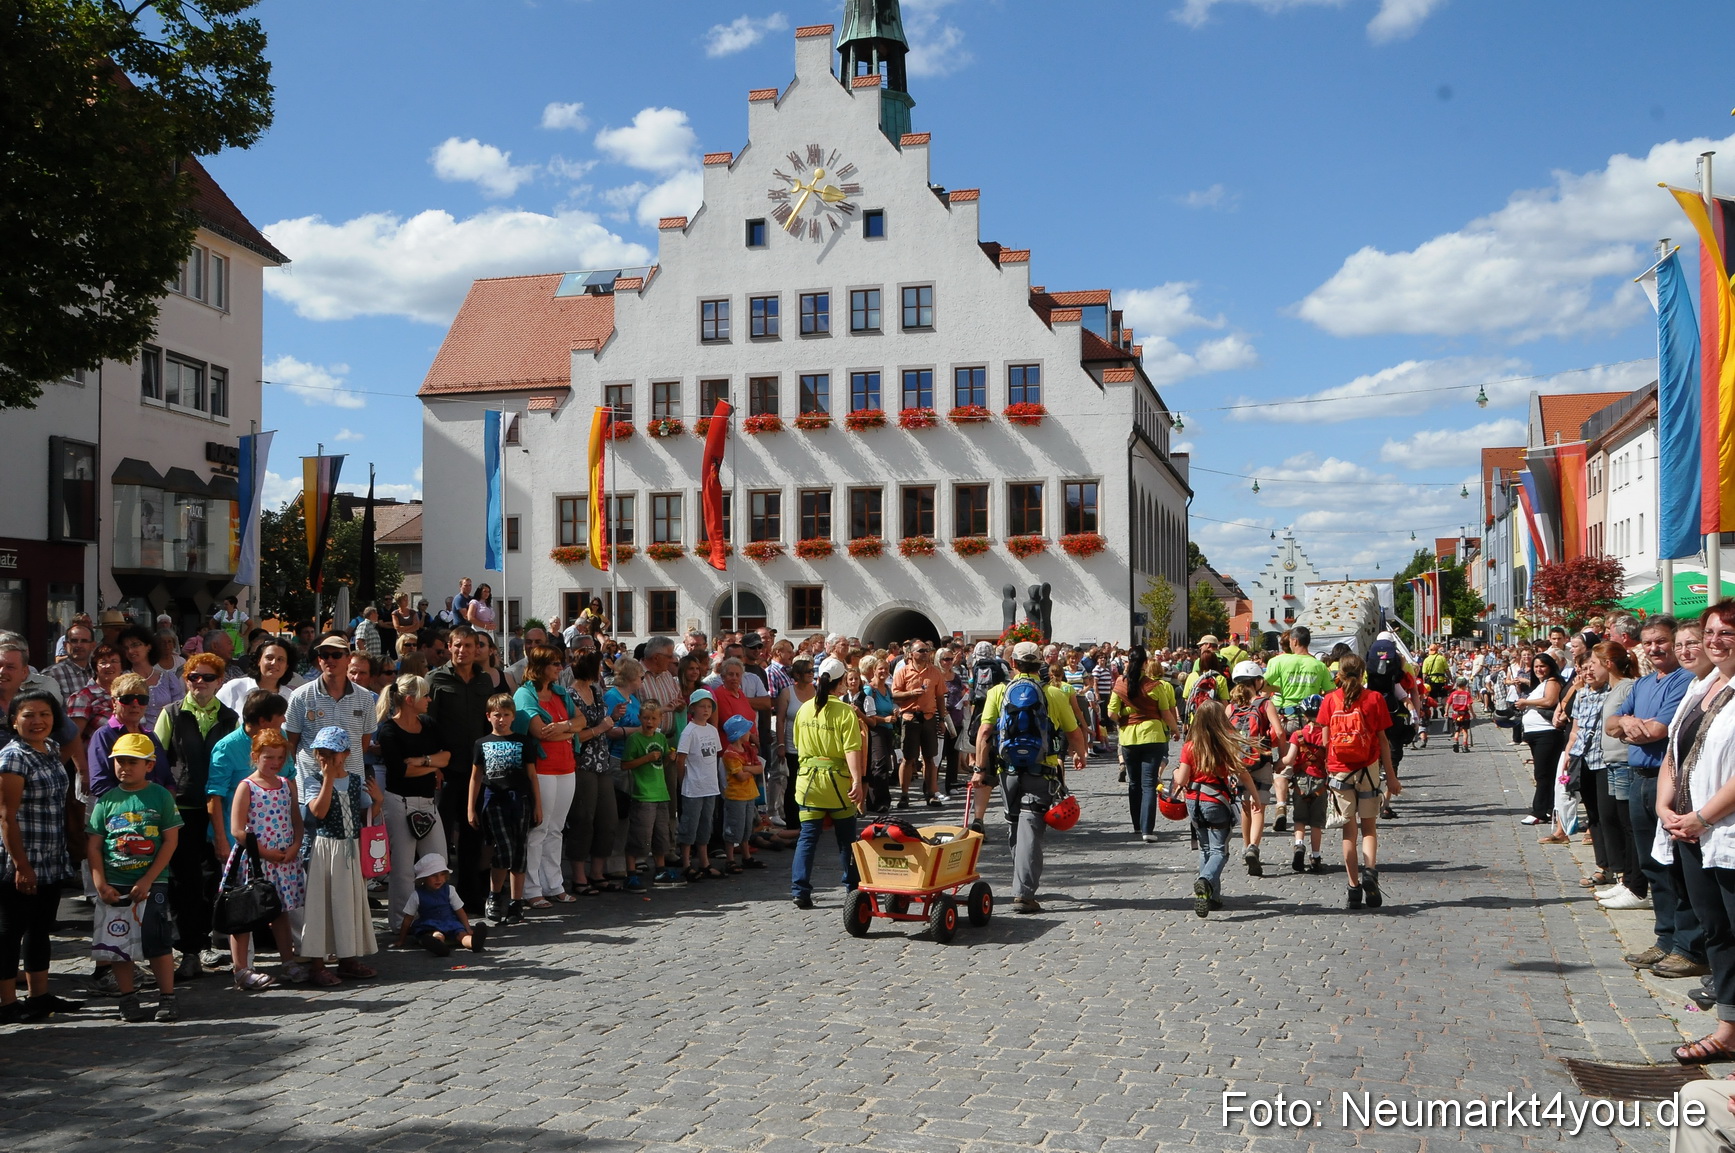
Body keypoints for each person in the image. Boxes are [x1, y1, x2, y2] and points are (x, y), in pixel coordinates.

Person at [1655, 603, 1735, 1062]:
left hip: (1722, 829)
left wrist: (1703, 816)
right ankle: (1729, 1027)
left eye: (1726, 632)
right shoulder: (1700, 687)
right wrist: (1666, 806)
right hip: (1689, 831)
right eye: (1710, 631)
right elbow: (1673, 754)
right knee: (1717, 931)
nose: (1714, 640)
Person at [1606, 616, 1705, 981]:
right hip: (1639, 778)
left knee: (1679, 867)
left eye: (1662, 641)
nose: (1655, 649)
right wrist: (1628, 723)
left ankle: (1688, 945)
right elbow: (1610, 724)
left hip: (1669, 783)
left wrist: (1630, 725)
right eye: (1648, 643)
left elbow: (1656, 732)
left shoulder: (1686, 681)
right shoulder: (1645, 682)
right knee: (1653, 864)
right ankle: (1665, 939)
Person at [975, 641, 1087, 914]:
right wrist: (1080, 753)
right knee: (1031, 829)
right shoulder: (1055, 694)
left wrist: (979, 768)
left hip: (1007, 771)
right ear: (1041, 665)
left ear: (1012, 664)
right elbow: (1073, 732)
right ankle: (1024, 892)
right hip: (1042, 770)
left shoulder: (999, 692)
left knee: (1016, 825)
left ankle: (1021, 883)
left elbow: (985, 732)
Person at [152, 650, 239, 980]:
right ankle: (187, 948)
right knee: (182, 880)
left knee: (210, 880)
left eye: (207, 677)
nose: (199, 683)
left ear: (220, 682)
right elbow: (158, 760)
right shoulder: (171, 713)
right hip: (183, 807)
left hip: (218, 807)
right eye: (193, 677)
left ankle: (202, 942)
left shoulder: (229, 717)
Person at [0, 691, 82, 1022]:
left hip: (51, 854)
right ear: (14, 721)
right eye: (29, 715)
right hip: (20, 858)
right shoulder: (12, 758)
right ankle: (6, 1002)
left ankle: (39, 995)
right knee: (10, 930)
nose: (38, 721)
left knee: (40, 927)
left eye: (45, 714)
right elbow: (7, 817)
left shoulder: (49, 750)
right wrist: (21, 866)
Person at [1317, 654, 1402, 910]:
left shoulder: (1330, 700)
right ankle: (1370, 871)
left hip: (1340, 771)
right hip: (1368, 768)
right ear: (1363, 673)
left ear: (1339, 675)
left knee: (1348, 830)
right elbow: (1384, 741)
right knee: (1369, 828)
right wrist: (1392, 778)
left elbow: (1323, 742)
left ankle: (1353, 888)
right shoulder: (1374, 699)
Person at [300, 726, 381, 986]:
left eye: (331, 753)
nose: (324, 758)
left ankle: (348, 957)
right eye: (321, 753)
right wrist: (328, 779)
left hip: (350, 849)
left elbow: (366, 814)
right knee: (321, 904)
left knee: (349, 903)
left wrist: (377, 801)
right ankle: (316, 963)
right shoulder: (314, 779)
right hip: (326, 850)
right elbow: (319, 812)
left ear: (345, 754)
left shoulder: (355, 780)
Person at [225, 729, 304, 991]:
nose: (275, 763)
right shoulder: (246, 786)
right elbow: (237, 830)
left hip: (283, 859)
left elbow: (296, 821)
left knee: (280, 911)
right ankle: (241, 969)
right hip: (256, 861)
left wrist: (294, 846)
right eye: (269, 757)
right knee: (245, 915)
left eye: (280, 758)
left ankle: (288, 961)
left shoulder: (286, 784)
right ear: (255, 756)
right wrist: (264, 852)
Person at [425, 626, 494, 912]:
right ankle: (435, 898)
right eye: (458, 645)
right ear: (449, 647)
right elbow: (427, 725)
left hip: (476, 770)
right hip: (446, 769)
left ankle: (470, 897)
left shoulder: (484, 681)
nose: (463, 650)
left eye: (469, 645)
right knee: (438, 836)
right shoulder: (435, 679)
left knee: (472, 834)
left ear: (477, 648)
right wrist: (433, 766)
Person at [1173, 700, 1263, 917]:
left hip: (1194, 801)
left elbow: (1182, 779)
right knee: (1219, 851)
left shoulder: (1190, 747)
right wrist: (1256, 797)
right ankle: (1205, 880)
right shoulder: (1225, 745)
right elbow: (1242, 773)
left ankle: (1210, 897)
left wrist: (1176, 773)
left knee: (1205, 847)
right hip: (1215, 801)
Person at [789, 658, 866, 909]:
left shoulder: (804, 708)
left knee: (807, 838)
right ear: (842, 682)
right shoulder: (845, 711)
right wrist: (858, 781)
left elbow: (799, 745)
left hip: (809, 783)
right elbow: (852, 749)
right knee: (846, 839)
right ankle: (852, 888)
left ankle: (800, 890)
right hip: (838, 783)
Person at [374, 674, 449, 927]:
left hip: (428, 802)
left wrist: (421, 761)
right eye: (425, 695)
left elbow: (447, 756)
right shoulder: (388, 730)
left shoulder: (429, 723)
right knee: (403, 869)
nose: (429, 700)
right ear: (409, 699)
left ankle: (438, 916)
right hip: (399, 803)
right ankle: (401, 923)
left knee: (439, 861)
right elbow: (400, 771)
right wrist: (432, 763)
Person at [1107, 646, 1179, 844]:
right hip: (1154, 736)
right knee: (1149, 783)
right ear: (1146, 663)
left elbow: (1111, 714)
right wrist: (1175, 729)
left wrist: (1127, 715)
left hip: (1129, 738)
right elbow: (1165, 712)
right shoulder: (1155, 686)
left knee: (1134, 782)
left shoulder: (1120, 684)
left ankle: (1136, 826)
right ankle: (1148, 829)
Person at [564, 650, 619, 896]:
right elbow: (575, 736)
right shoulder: (570, 695)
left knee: (607, 819)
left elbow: (602, 723)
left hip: (602, 762)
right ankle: (578, 877)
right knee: (583, 820)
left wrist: (612, 718)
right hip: (582, 763)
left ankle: (597, 872)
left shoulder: (596, 691)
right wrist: (600, 728)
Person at [1226, 661, 1285, 876]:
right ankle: (1254, 847)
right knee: (1258, 805)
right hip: (1260, 760)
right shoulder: (1265, 704)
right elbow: (1279, 732)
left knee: (1244, 805)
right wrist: (1282, 756)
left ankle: (1245, 846)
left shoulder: (1230, 707)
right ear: (1257, 681)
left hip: (1237, 763)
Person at [622, 701, 674, 888]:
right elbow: (625, 764)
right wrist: (645, 758)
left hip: (661, 793)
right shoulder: (634, 739)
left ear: (660, 720)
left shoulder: (660, 739)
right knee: (640, 835)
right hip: (643, 794)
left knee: (661, 835)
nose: (649, 722)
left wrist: (669, 757)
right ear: (640, 718)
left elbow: (662, 763)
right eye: (646, 718)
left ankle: (660, 869)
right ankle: (631, 872)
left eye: (653, 718)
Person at [890, 641, 948, 808]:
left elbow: (940, 698)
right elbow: (894, 694)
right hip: (910, 718)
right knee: (908, 759)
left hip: (929, 718)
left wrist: (942, 719)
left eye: (927, 650)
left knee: (930, 758)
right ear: (911, 654)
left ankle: (930, 794)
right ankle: (904, 795)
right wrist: (910, 693)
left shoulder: (935, 672)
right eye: (921, 650)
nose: (925, 653)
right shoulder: (902, 672)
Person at [397, 853, 486, 956]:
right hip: (430, 924)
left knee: (462, 935)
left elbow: (460, 911)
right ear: (424, 878)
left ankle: (473, 943)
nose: (439, 879)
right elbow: (408, 918)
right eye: (433, 875)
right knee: (436, 934)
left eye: (442, 874)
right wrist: (401, 939)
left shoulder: (450, 890)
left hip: (450, 922)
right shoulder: (417, 895)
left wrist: (468, 928)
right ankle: (439, 946)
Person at [676, 689, 723, 882]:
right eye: (702, 706)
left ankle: (704, 862)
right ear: (692, 708)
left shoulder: (712, 730)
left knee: (705, 825)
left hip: (710, 786)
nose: (706, 710)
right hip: (693, 787)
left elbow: (716, 756)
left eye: (709, 706)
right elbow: (681, 759)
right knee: (690, 825)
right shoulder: (689, 732)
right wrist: (682, 782)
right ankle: (686, 863)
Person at [1515, 653, 1566, 828]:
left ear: (1550, 666)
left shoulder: (1552, 681)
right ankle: (1549, 809)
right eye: (1536, 666)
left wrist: (1526, 703)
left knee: (1543, 774)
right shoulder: (1541, 683)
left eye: (1542, 666)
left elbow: (1550, 700)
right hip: (1535, 733)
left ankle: (1539, 811)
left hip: (1547, 733)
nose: (1539, 669)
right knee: (1545, 773)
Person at [1280, 694, 1330, 873]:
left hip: (1301, 781)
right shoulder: (1326, 734)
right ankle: (1316, 856)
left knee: (1299, 819)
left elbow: (1289, 760)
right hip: (1320, 783)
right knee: (1316, 823)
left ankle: (1299, 845)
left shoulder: (1297, 735)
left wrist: (1280, 760)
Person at [719, 714, 764, 873]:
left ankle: (746, 857)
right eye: (747, 731)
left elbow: (759, 768)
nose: (749, 733)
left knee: (746, 828)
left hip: (749, 794)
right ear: (739, 734)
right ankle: (730, 859)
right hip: (736, 796)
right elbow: (740, 776)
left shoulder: (748, 749)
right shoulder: (730, 754)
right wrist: (750, 770)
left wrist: (746, 768)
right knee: (733, 828)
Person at [1447, 679, 1476, 752]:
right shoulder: (1467, 694)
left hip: (1456, 714)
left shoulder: (1453, 694)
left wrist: (1446, 712)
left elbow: (1448, 703)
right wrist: (1473, 713)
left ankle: (1456, 741)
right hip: (1465, 715)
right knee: (1465, 730)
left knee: (1457, 730)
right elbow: (1469, 705)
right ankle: (1465, 745)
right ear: (1465, 685)